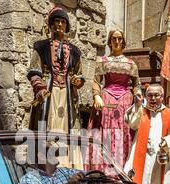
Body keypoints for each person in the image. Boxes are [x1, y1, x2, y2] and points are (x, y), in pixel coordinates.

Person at [87, 29, 142, 169]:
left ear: (123, 41)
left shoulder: (131, 64)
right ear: (110, 41)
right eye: (114, 39)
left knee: (123, 133)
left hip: (125, 101)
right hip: (107, 100)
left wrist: (138, 93)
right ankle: (103, 169)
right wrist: (96, 96)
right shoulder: (103, 61)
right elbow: (96, 81)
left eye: (119, 39)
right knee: (105, 132)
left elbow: (136, 84)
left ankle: (122, 168)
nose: (117, 42)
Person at [27, 6, 85, 134]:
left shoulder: (75, 51)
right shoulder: (41, 46)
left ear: (66, 26)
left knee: (66, 129)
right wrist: (39, 88)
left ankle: (64, 153)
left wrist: (77, 81)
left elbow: (79, 74)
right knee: (46, 127)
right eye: (57, 20)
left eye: (63, 21)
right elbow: (34, 71)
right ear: (51, 23)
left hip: (67, 95)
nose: (60, 24)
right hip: (48, 91)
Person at [123, 84, 170, 184]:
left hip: (160, 157)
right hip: (142, 154)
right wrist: (137, 105)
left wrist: (166, 142)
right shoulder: (141, 110)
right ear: (146, 97)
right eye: (150, 95)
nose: (153, 98)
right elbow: (132, 124)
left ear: (162, 97)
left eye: (156, 95)